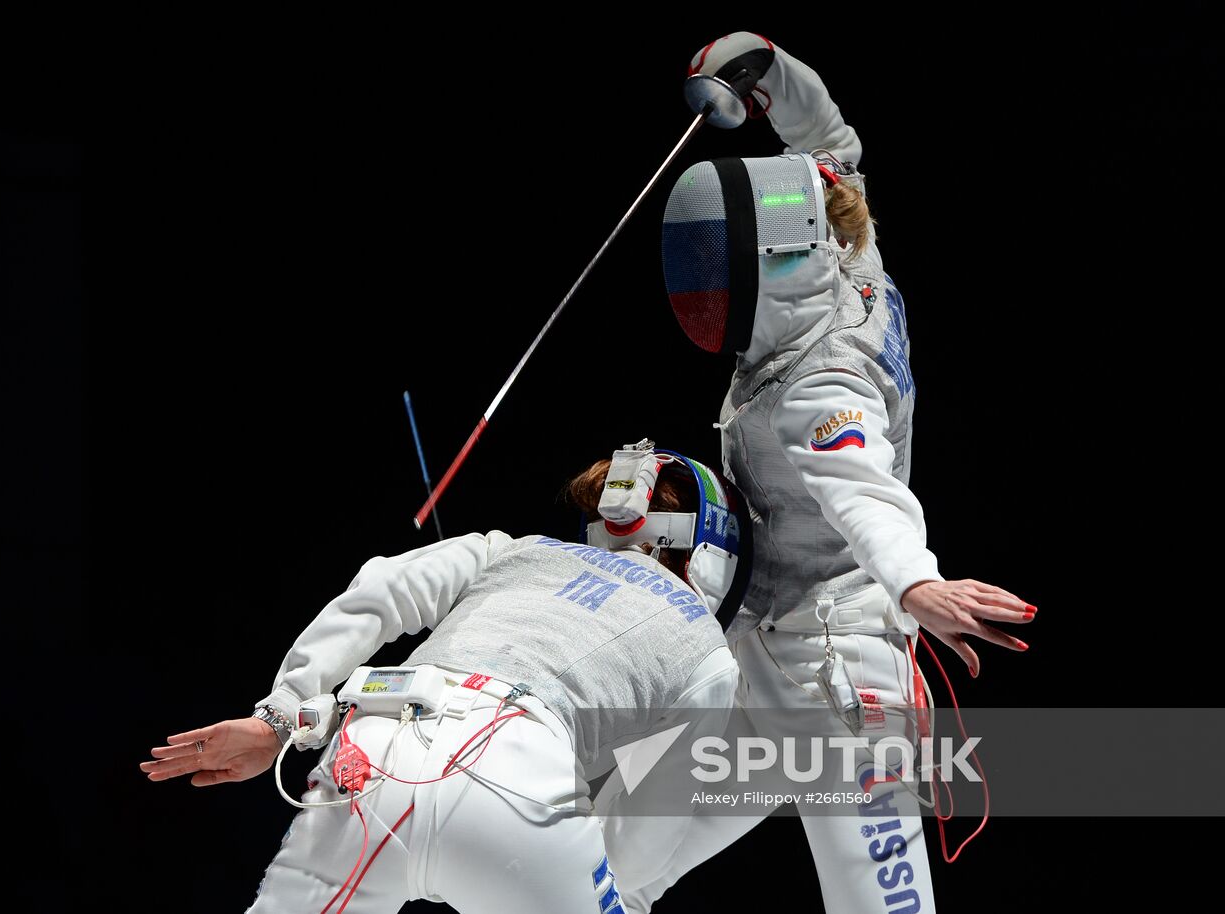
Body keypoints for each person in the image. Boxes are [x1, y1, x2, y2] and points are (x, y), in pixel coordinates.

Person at [606, 33, 1038, 914]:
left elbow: (863, 486)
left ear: (764, 267)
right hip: (751, 654)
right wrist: (759, 69)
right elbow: (830, 143)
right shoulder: (848, 251)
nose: (698, 287)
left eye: (711, 271)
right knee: (610, 857)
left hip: (838, 680)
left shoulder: (822, 383)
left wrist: (917, 584)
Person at [140, 442, 749, 914]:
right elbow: (640, 847)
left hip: (370, 754)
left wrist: (281, 715)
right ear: (713, 552)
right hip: (519, 780)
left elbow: (380, 590)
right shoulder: (706, 652)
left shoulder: (515, 550)